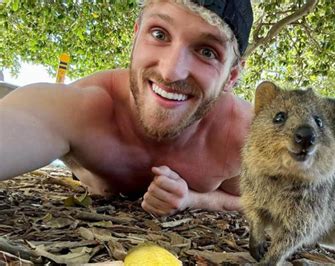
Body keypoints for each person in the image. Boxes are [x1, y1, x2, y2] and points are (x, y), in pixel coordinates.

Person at [0, 0, 254, 217]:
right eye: (159, 34)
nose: (171, 71)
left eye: (207, 52)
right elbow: (24, 120)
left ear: (231, 76)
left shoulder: (246, 138)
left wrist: (195, 199)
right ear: (136, 36)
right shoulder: (81, 108)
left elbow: (275, 203)